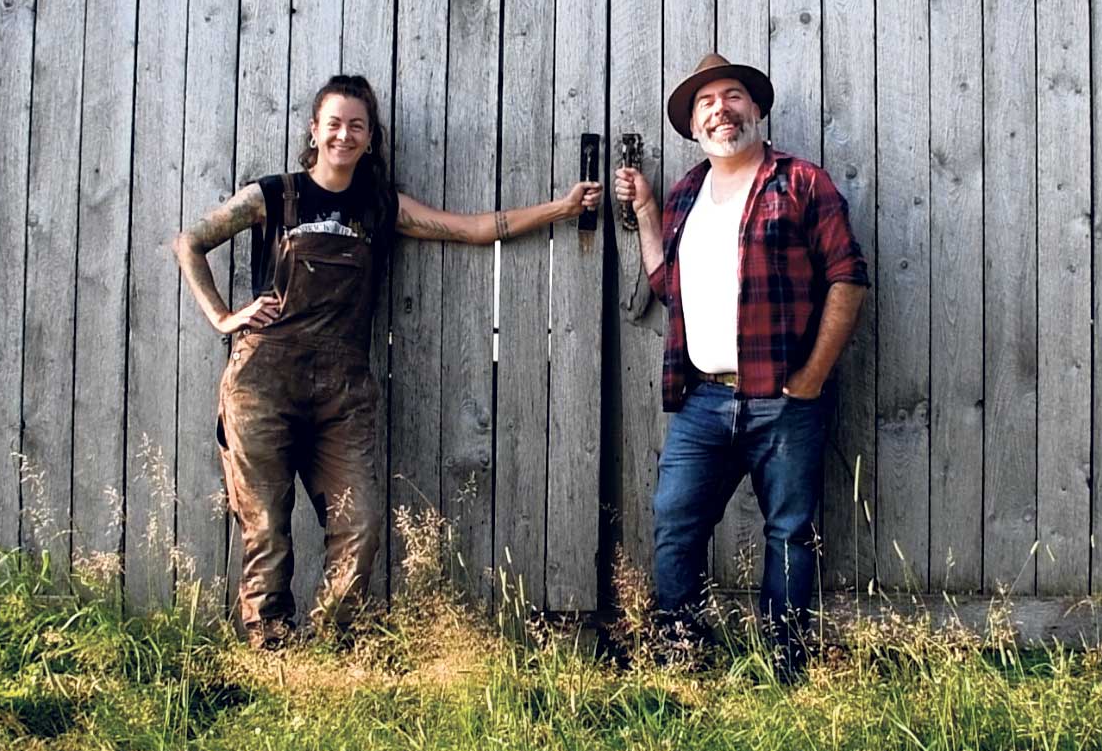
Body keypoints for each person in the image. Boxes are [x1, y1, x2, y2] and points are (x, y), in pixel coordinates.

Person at [173, 74, 601, 650]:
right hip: (261, 381)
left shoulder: (380, 208)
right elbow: (189, 243)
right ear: (314, 130)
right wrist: (224, 317)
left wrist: (562, 207)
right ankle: (269, 649)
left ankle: (329, 645)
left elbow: (474, 230)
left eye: (357, 125)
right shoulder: (274, 196)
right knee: (265, 527)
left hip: (342, 389)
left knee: (361, 524)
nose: (344, 135)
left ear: (370, 138)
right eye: (334, 124)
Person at [613, 53, 868, 680]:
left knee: (789, 531)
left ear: (755, 110)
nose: (720, 110)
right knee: (675, 522)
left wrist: (810, 377)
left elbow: (848, 280)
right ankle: (681, 662)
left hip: (784, 399)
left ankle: (786, 669)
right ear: (694, 126)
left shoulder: (802, 182)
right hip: (704, 400)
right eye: (705, 103)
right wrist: (646, 212)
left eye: (731, 97)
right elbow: (669, 285)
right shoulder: (683, 194)